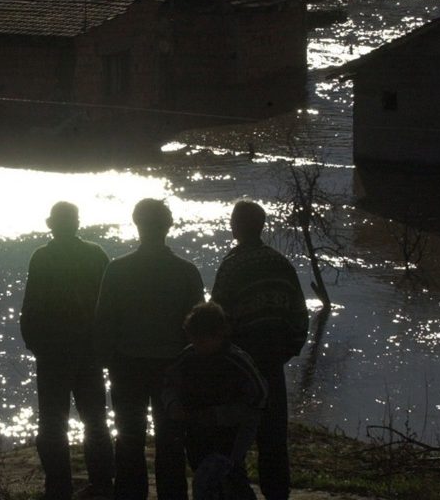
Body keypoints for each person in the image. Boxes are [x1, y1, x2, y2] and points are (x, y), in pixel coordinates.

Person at [94, 198, 205, 500]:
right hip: (173, 367)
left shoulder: (117, 270)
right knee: (171, 440)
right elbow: (199, 327)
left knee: (129, 439)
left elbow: (104, 322)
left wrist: (105, 361)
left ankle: (130, 494)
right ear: (168, 226)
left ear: (137, 224)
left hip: (126, 365)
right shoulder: (186, 271)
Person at [209, 201, 308, 500]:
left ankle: (238, 492)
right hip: (273, 362)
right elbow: (299, 316)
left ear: (237, 227)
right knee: (273, 437)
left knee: (232, 435)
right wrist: (287, 351)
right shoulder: (281, 264)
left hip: (239, 365)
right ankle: (277, 493)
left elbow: (217, 318)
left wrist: (219, 359)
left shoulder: (232, 266)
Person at [21, 202, 114, 500]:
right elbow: (108, 303)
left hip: (53, 353)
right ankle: (102, 483)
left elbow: (31, 306)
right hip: (89, 351)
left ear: (50, 224)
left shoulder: (42, 257)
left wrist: (35, 344)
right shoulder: (96, 254)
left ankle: (58, 486)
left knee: (52, 422)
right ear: (76, 223)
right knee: (95, 420)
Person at [163, 303, 268, 500]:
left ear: (219, 335)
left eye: (202, 341)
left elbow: (259, 397)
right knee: (210, 472)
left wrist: (221, 415)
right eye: (193, 339)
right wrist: (173, 405)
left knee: (223, 474)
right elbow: (169, 383)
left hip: (233, 431)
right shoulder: (188, 356)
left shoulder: (236, 360)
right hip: (198, 428)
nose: (197, 345)